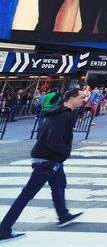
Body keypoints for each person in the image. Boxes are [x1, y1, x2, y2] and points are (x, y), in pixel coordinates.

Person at [0, 88, 84, 240]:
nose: (83, 100)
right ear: (71, 98)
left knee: (59, 184)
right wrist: (66, 152)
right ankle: (4, 229)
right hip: (48, 160)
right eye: (81, 97)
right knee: (26, 195)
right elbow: (53, 139)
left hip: (50, 158)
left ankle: (63, 215)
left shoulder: (59, 112)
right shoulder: (63, 115)